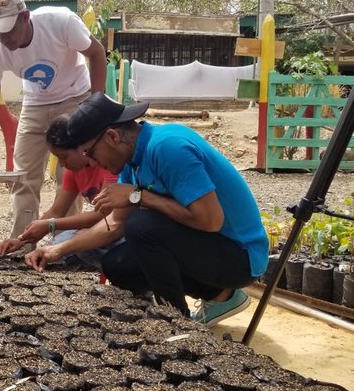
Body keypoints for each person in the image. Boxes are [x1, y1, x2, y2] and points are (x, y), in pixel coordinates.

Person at [28, 92, 269, 327]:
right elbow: (114, 225)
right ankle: (219, 294)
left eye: (90, 152)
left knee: (142, 225)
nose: (90, 162)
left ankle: (176, 323)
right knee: (117, 265)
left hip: (241, 257)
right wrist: (56, 250)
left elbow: (210, 221)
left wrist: (138, 196)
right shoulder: (131, 162)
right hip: (209, 248)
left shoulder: (168, 147)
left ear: (112, 137)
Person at [0, 0, 107, 241]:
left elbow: (96, 53)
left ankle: (66, 241)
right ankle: (23, 242)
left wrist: (96, 107)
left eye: (8, 29)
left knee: (70, 171)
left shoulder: (60, 22)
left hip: (76, 96)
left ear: (25, 17)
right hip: (35, 103)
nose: (4, 38)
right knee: (24, 176)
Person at [0, 115, 119, 269]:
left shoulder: (109, 164)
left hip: (117, 228)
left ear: (82, 148)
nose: (62, 164)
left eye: (64, 157)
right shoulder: (73, 171)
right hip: (102, 227)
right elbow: (57, 210)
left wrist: (50, 225)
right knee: (53, 250)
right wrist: (21, 239)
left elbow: (103, 214)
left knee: (66, 246)